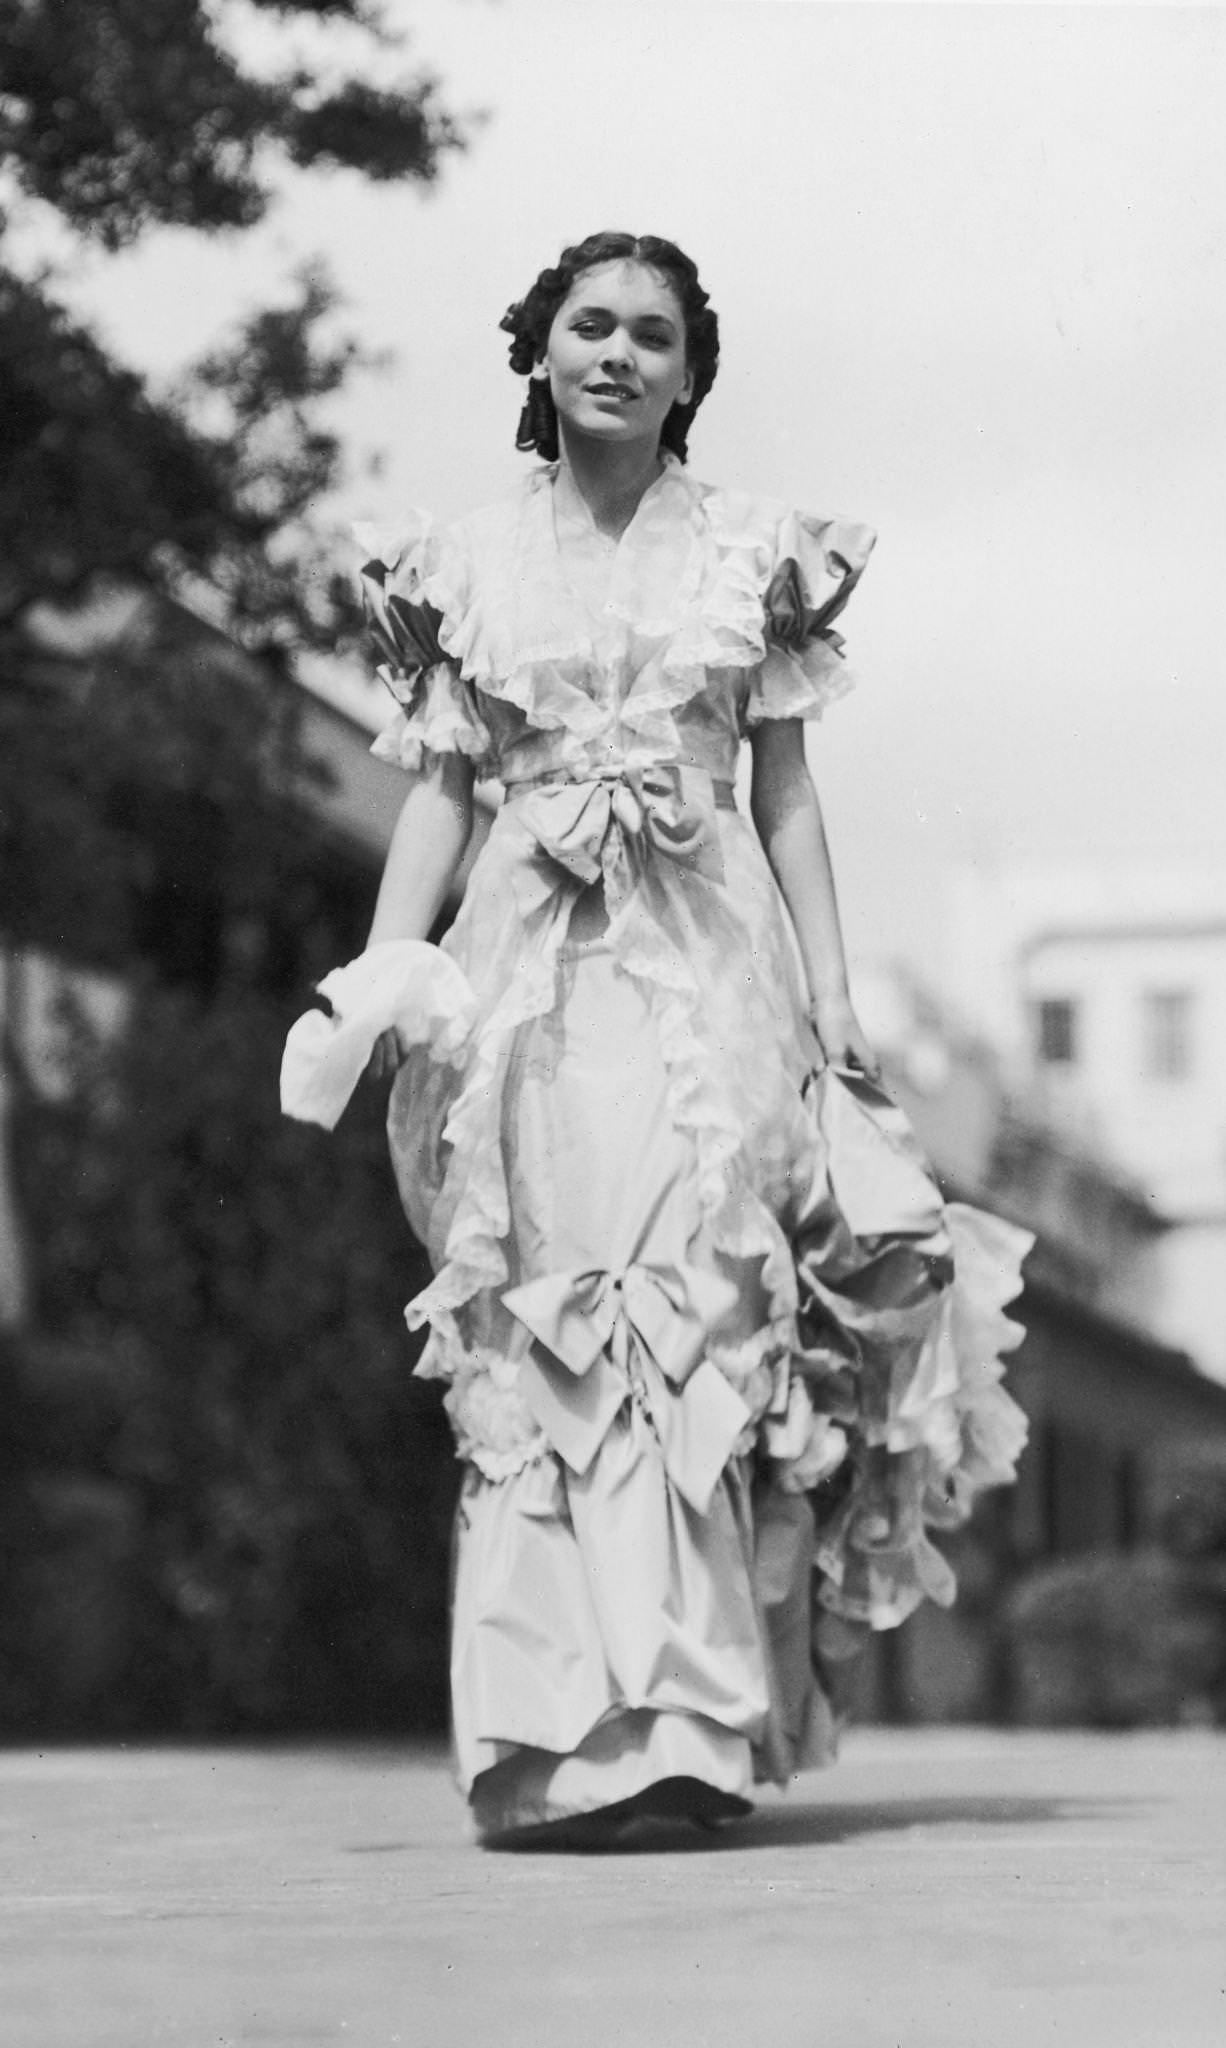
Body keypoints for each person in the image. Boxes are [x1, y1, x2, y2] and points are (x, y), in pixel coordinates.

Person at [281, 231, 1031, 1846]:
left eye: (651, 334)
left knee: (695, 1311)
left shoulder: (757, 552)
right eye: (587, 326)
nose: (616, 352)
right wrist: (376, 973)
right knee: (549, 1321)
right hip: (530, 974)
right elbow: (440, 789)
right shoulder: (458, 565)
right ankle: (549, 1741)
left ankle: (684, 1732)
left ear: (691, 373)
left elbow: (786, 796)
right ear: (536, 355)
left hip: (707, 968)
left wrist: (834, 998)